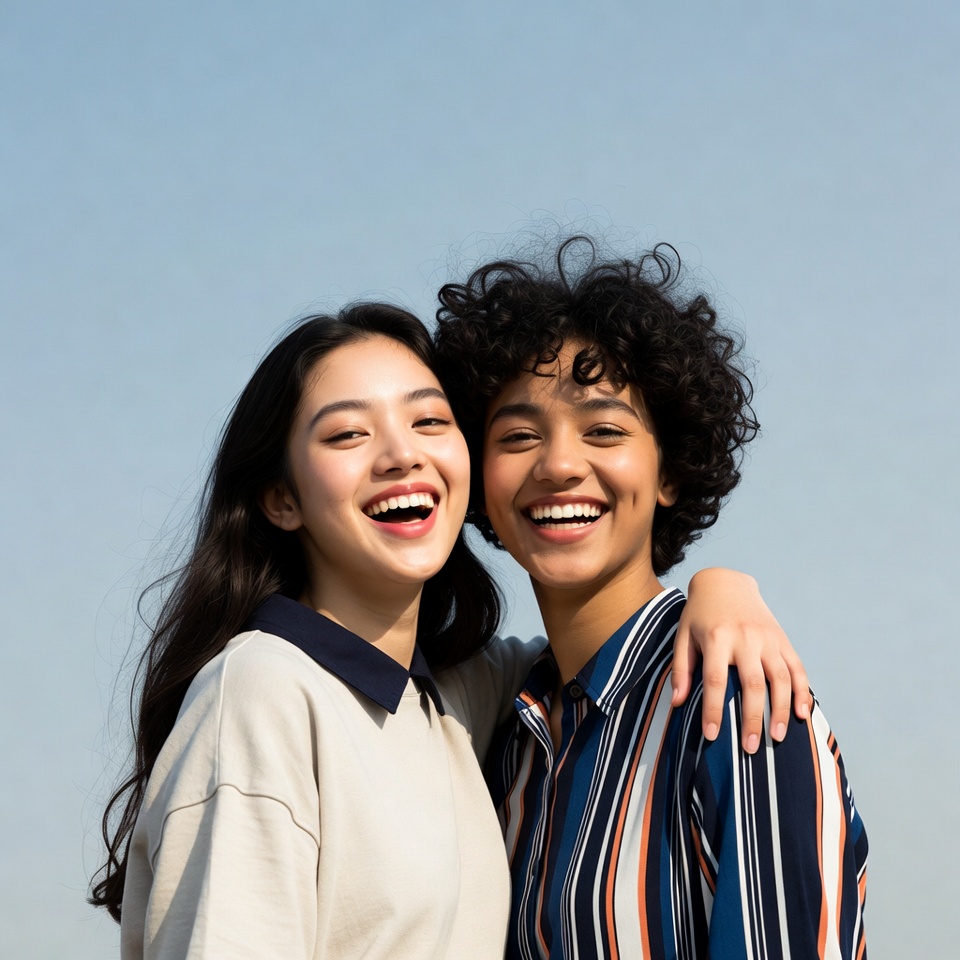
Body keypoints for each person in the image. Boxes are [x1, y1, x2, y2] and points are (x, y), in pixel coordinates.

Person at [91, 302, 809, 959]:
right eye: (347, 434)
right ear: (282, 498)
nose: (402, 454)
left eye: (430, 422)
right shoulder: (261, 692)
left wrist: (721, 588)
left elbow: (599, 657)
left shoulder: (468, 702)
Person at [434, 237, 868, 959]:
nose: (559, 464)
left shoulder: (736, 700)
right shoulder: (508, 738)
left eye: (604, 430)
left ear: (668, 474)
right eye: (519, 435)